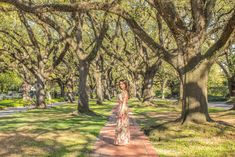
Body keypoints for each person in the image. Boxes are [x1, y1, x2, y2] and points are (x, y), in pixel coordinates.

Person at [114, 79, 130, 145]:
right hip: (120, 107)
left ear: (125, 85)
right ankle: (120, 140)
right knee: (120, 124)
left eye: (122, 84)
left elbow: (124, 103)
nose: (121, 85)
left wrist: (122, 111)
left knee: (122, 124)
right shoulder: (122, 91)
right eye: (120, 84)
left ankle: (123, 140)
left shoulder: (125, 92)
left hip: (123, 108)